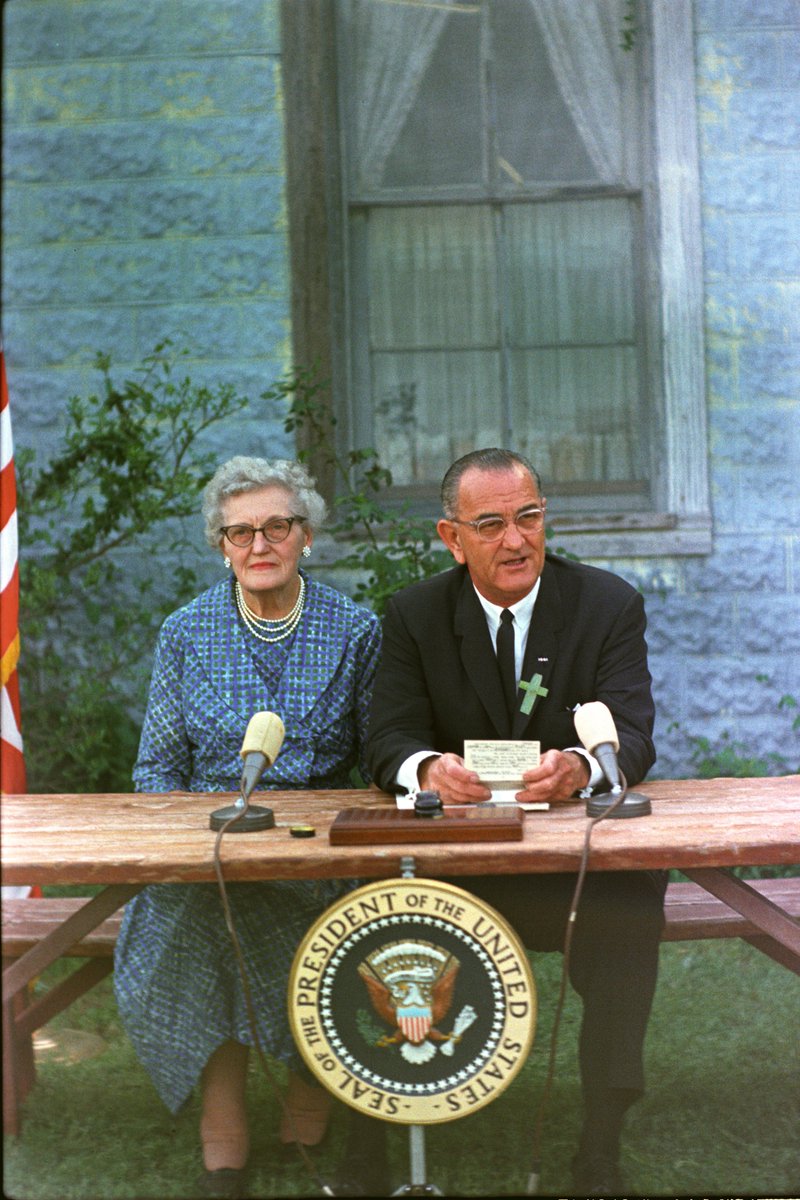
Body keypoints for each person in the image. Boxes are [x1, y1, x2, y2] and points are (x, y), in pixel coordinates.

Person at [365, 447, 665, 1195]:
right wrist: (427, 769)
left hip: (569, 871)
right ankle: (373, 1137)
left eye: (529, 517)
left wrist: (581, 766)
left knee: (634, 898)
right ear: (450, 536)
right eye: (491, 524)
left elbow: (633, 734)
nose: (516, 541)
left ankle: (601, 1143)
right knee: (370, 902)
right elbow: (385, 740)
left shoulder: (606, 604)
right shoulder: (413, 615)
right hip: (455, 872)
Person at [113, 456, 381, 1200]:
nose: (258, 544)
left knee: (324, 911)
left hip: (315, 849)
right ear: (220, 545)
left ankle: (308, 1081)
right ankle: (222, 1112)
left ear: (305, 535)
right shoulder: (185, 633)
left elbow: (377, 764)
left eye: (275, 527)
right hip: (214, 843)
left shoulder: (357, 630)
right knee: (189, 908)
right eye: (240, 532)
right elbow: (156, 769)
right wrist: (188, 847)